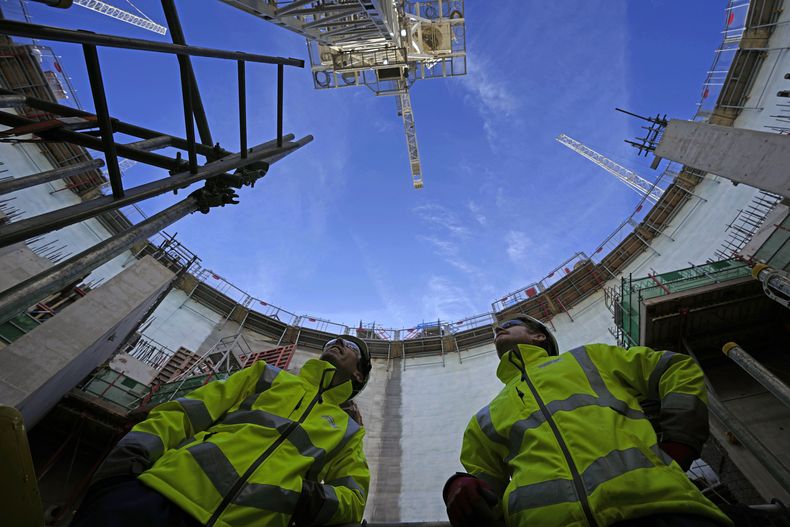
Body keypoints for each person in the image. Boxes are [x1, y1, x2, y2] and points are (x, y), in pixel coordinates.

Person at [443, 315, 733, 527]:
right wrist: (459, 486)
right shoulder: (483, 419)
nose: (499, 329)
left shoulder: (590, 359)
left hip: (661, 511)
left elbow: (674, 368)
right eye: (498, 328)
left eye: (510, 324)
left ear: (538, 336)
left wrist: (680, 443)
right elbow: (488, 497)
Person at [72, 335, 373, 527]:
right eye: (332, 341)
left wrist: (306, 498)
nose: (336, 343)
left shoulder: (347, 430)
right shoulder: (268, 376)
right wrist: (128, 460)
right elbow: (187, 413)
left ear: (359, 373)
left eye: (349, 345)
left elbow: (354, 499)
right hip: (158, 497)